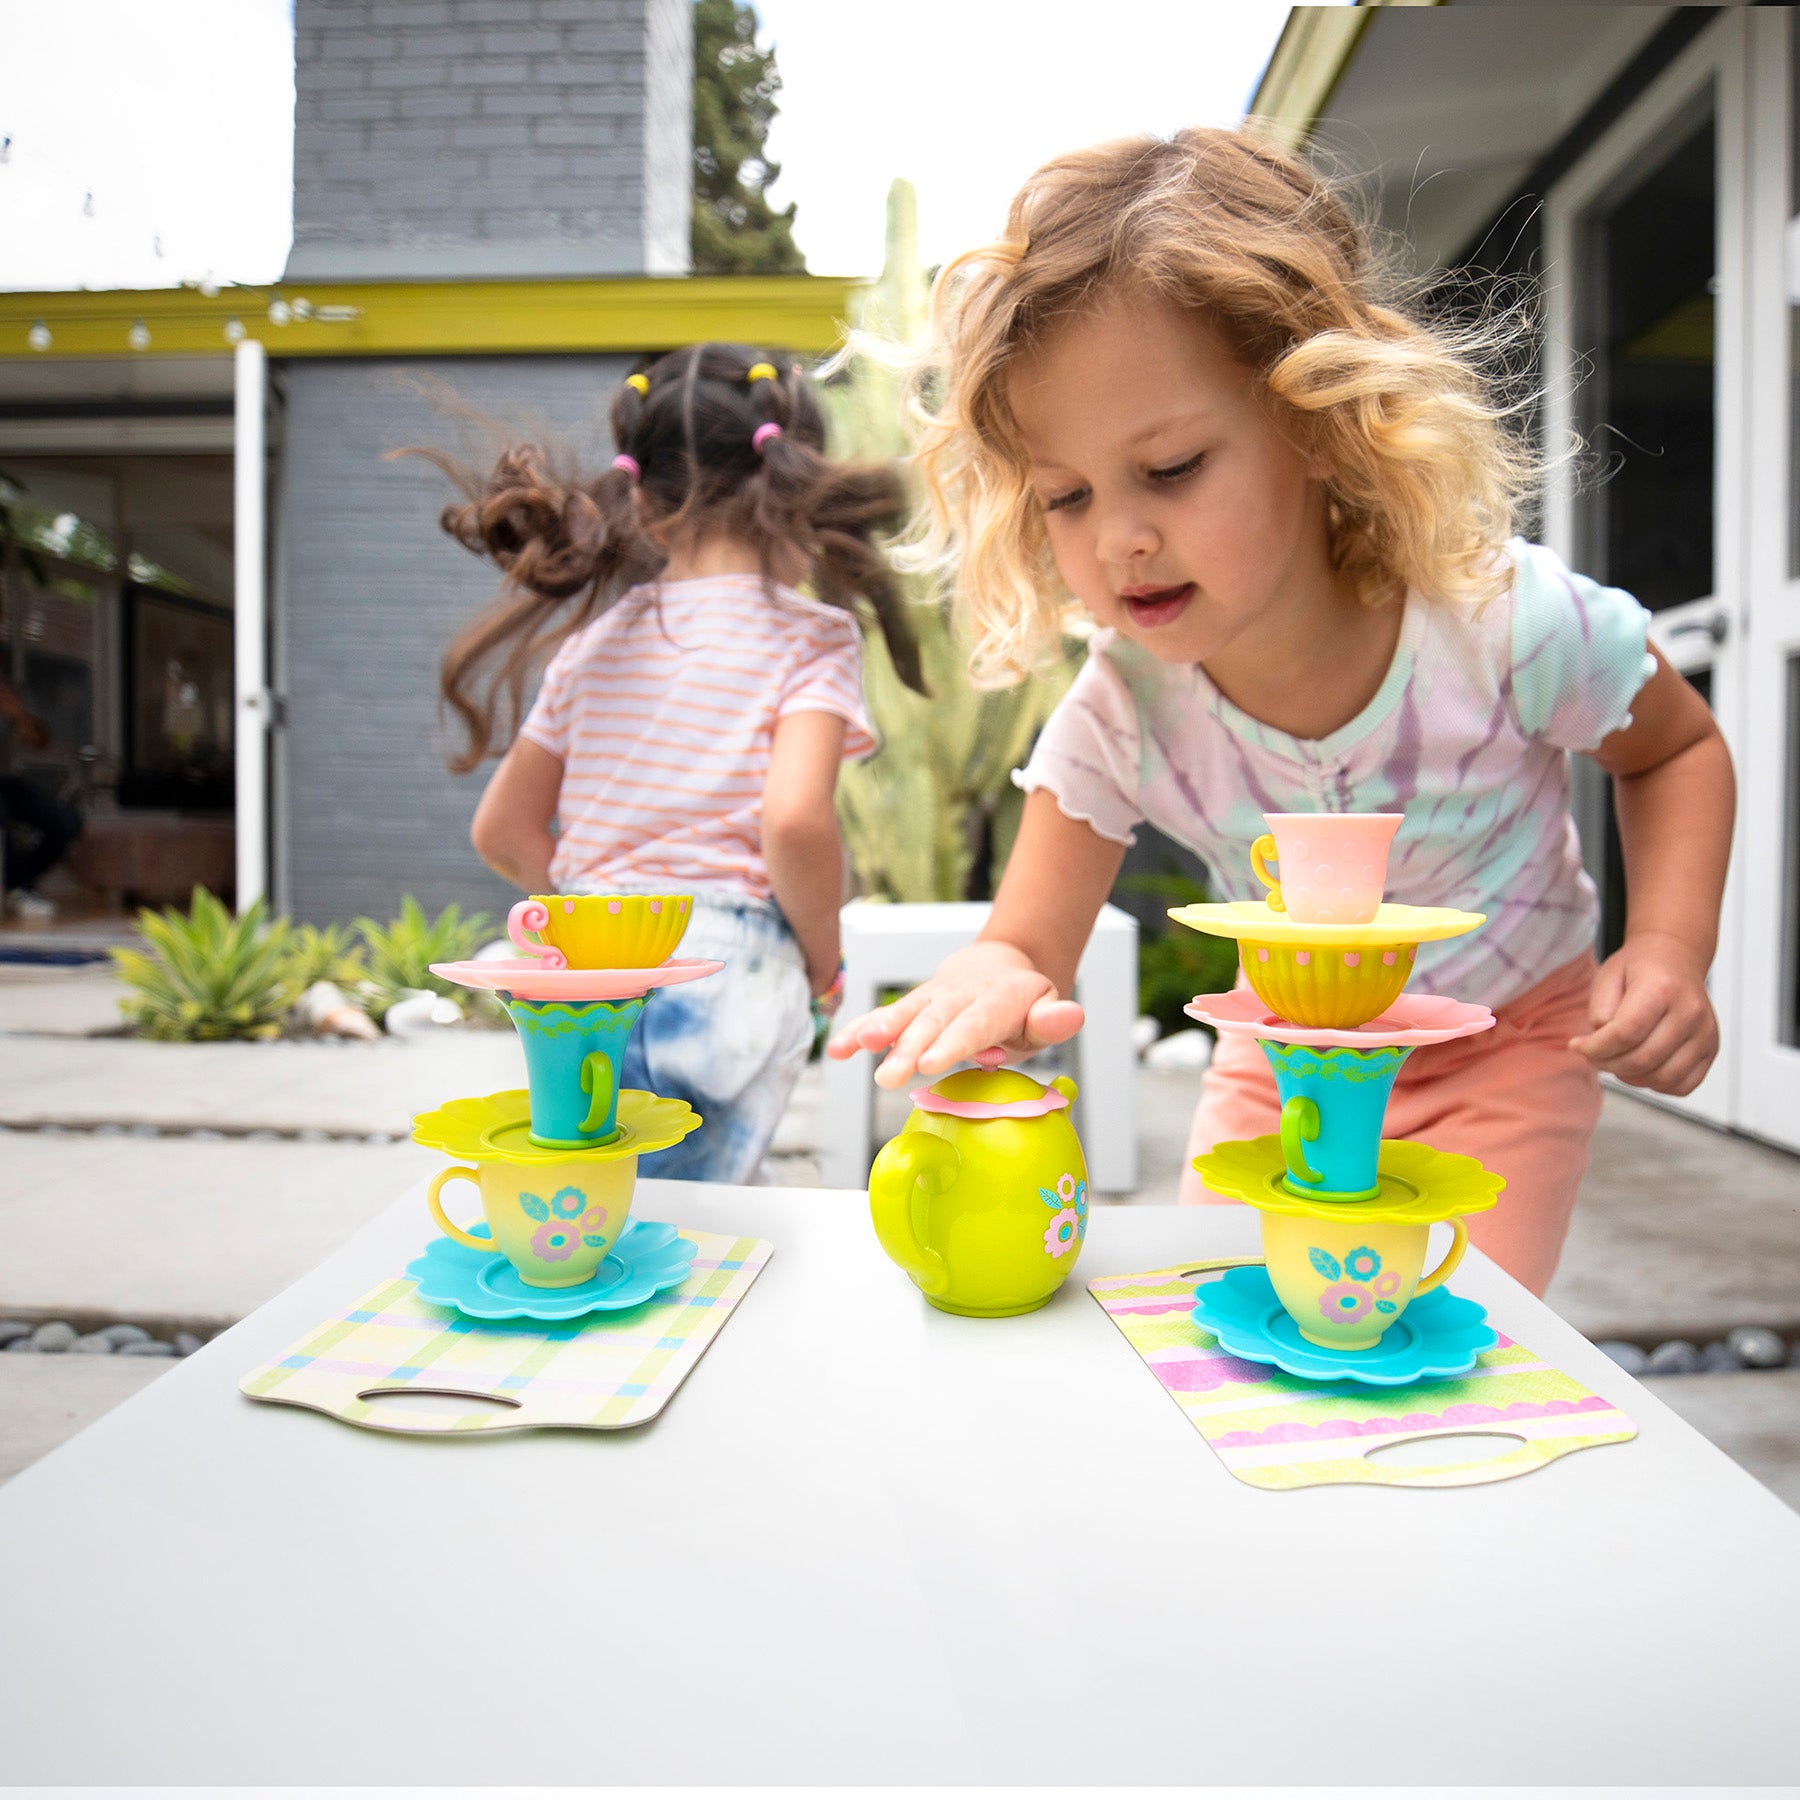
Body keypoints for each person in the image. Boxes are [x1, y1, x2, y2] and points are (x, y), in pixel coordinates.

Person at [828, 128, 1732, 1295]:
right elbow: (1025, 939)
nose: (1120, 537)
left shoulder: (1501, 623)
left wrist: (1669, 947)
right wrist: (994, 977)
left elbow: (1675, 751)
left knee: (1453, 1342)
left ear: (1314, 417)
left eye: (1171, 468)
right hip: (1283, 1066)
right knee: (1230, 1335)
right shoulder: (1123, 715)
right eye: (1067, 495)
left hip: (1503, 1047)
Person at [420, 343, 925, 1183]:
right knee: (694, 1222)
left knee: (619, 1197)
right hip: (726, 968)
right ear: (797, 489)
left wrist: (598, 918)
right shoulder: (810, 638)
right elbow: (794, 821)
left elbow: (503, 830)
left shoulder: (594, 644)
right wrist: (825, 960)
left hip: (581, 981)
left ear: (644, 505)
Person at [0, 673, 81, 921]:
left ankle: (18, 884)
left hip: (5, 782)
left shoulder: (7, 696)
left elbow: (41, 741)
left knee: (66, 822)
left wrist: (18, 715)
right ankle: (18, 887)